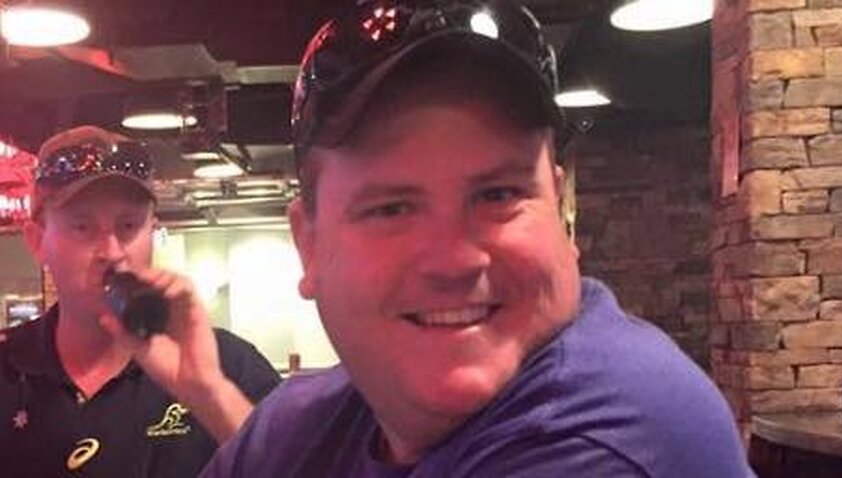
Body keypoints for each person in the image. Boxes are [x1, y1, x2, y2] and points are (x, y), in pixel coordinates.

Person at [202, 1, 755, 476]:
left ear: (561, 214)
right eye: (391, 208)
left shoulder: (606, 439)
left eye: (498, 195)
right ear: (309, 245)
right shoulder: (305, 420)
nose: (454, 260)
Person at [0, 126, 281, 478]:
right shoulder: (8, 368)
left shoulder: (230, 366)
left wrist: (209, 394)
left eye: (129, 225)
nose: (112, 252)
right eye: (82, 227)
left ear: (153, 232)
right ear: (37, 241)